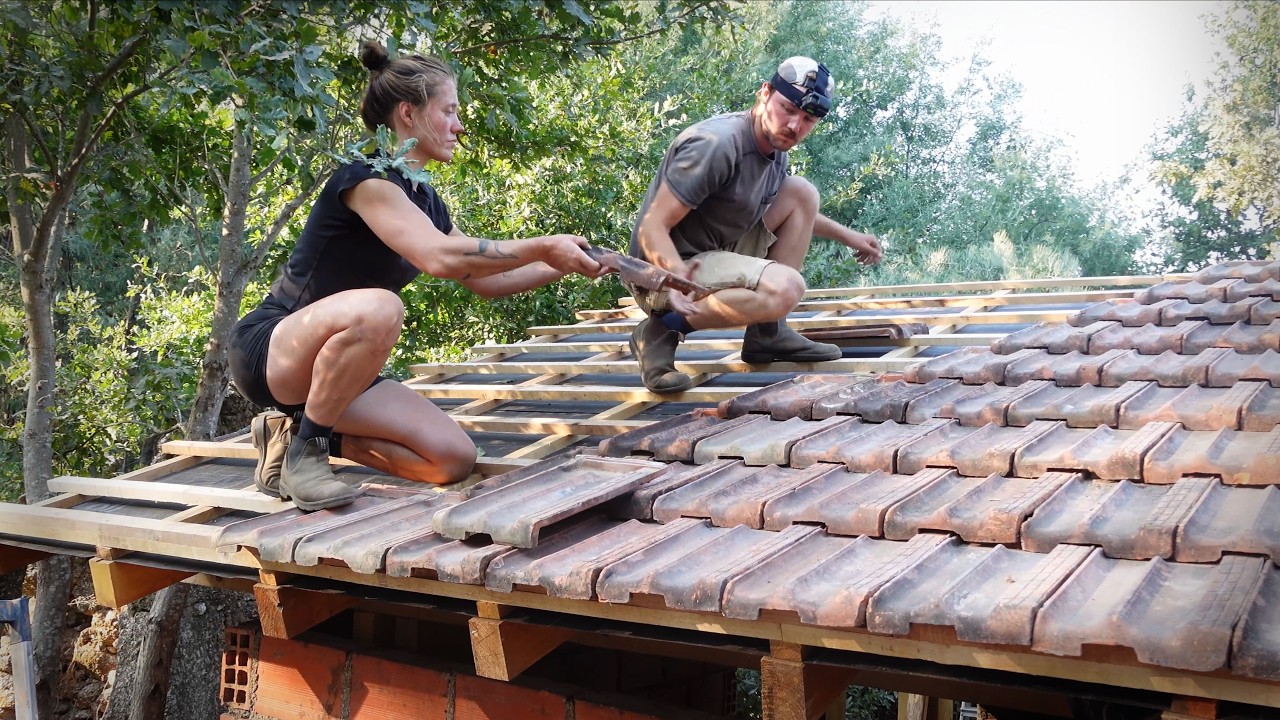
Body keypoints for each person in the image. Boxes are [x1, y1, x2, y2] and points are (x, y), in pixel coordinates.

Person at [229, 41, 605, 511]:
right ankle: (310, 452)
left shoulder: (425, 201)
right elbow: (439, 258)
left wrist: (560, 263)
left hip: (337, 374)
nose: (459, 126)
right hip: (272, 352)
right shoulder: (366, 179)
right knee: (381, 307)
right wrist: (542, 245)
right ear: (408, 113)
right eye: (448, 110)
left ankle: (290, 438)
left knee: (451, 460)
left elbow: (482, 277)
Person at [627, 56, 883, 394]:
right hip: (663, 270)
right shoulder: (715, 145)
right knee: (786, 287)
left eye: (808, 119)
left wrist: (850, 237)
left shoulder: (776, 148)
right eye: (788, 109)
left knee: (801, 193)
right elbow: (651, 228)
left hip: (717, 251)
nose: (795, 126)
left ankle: (768, 334)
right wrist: (674, 279)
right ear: (764, 93)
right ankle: (661, 331)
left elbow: (784, 208)